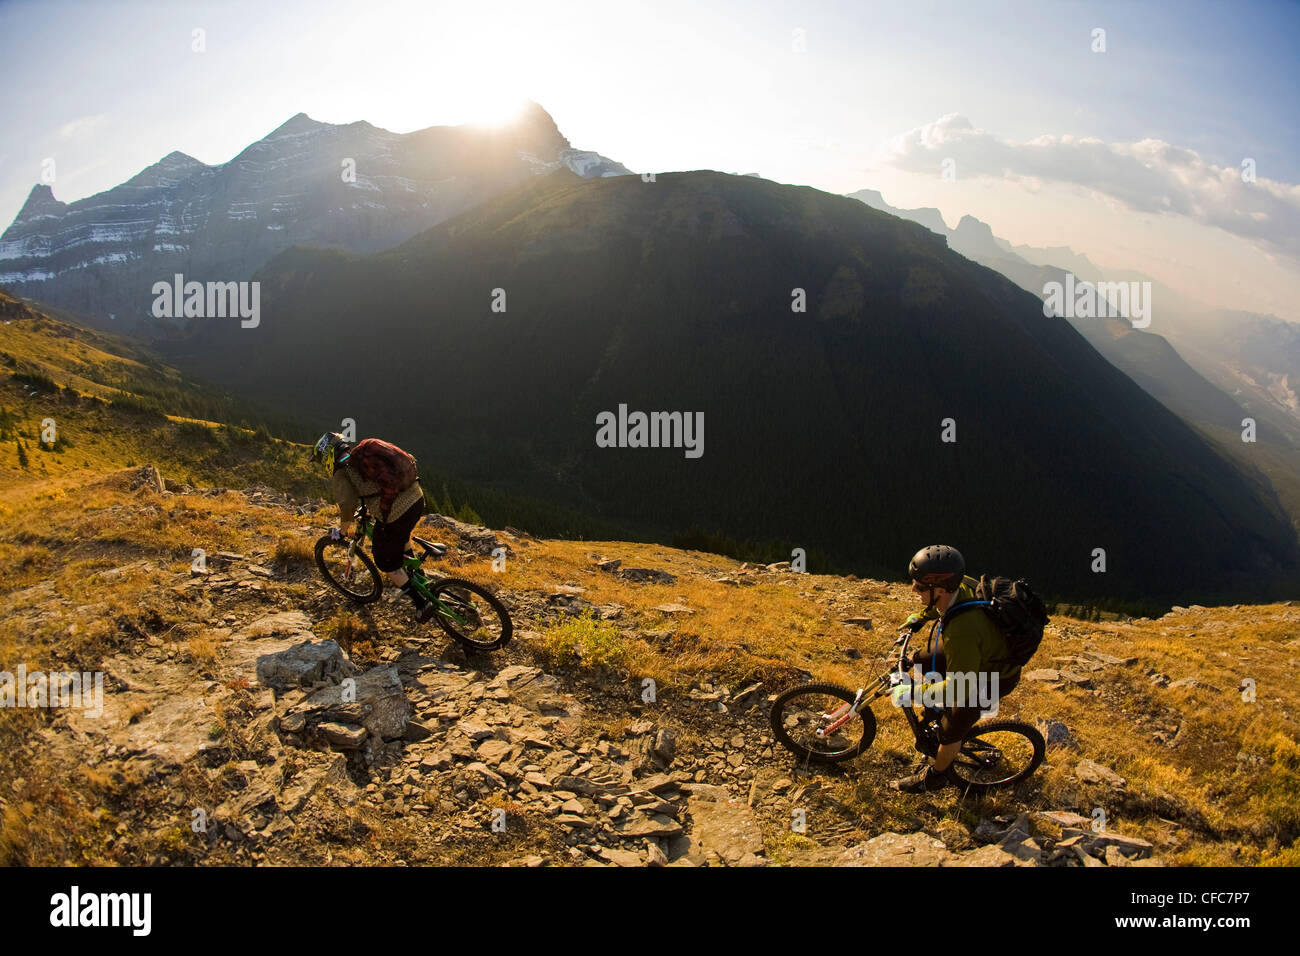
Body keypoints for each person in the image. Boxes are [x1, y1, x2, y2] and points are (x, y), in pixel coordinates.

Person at [888, 544, 1023, 793]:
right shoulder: (960, 584)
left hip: (992, 678)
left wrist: (913, 693)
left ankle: (936, 776)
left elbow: (960, 687)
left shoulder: (962, 631)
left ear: (939, 588)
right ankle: (936, 711)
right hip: (980, 654)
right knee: (923, 658)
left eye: (919, 586)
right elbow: (943, 604)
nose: (913, 589)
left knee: (951, 730)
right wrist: (921, 616)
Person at [312, 432, 433, 621]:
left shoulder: (342, 472)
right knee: (400, 536)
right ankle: (418, 575)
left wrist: (342, 532)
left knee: (386, 562)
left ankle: (422, 604)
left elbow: (347, 505)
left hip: (397, 513)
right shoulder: (362, 458)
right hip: (417, 497)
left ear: (327, 457)